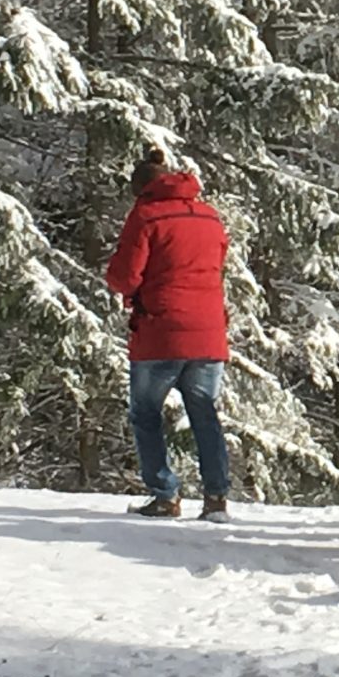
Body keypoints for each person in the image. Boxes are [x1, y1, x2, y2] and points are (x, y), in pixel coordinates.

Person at [105, 148, 233, 522]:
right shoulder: (209, 216)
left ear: (143, 188)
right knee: (205, 413)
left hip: (160, 332)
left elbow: (124, 277)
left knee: (146, 413)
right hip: (209, 334)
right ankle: (215, 499)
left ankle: (165, 495)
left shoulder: (145, 216)